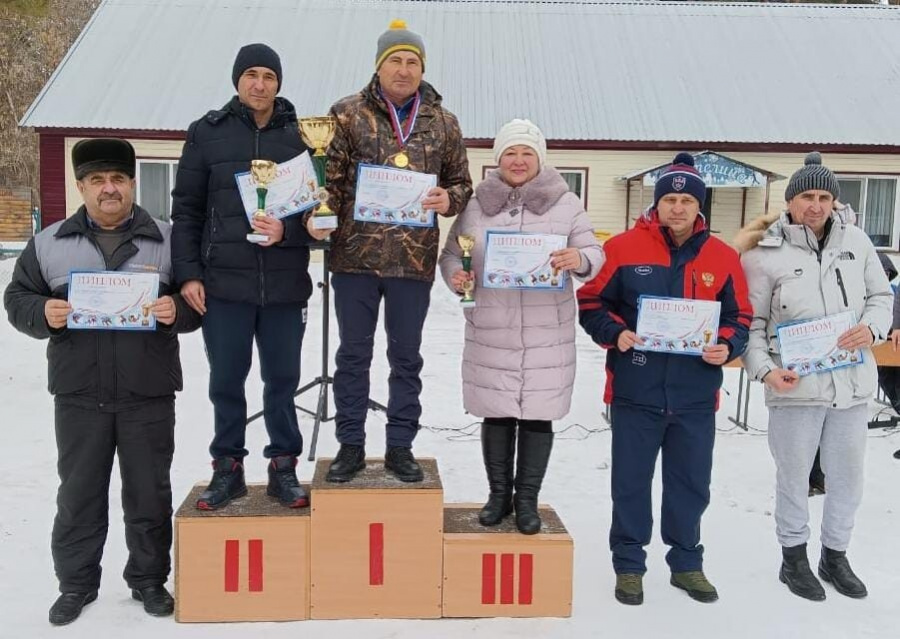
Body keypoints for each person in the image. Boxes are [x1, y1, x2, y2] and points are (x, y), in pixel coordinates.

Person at [4, 139, 201, 625]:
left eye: (118, 179)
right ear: (80, 187)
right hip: (79, 393)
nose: (108, 189)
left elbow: (196, 303)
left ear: (132, 183)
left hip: (147, 392)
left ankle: (149, 580)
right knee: (78, 493)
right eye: (97, 180)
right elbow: (16, 298)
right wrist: (41, 313)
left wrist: (175, 310)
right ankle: (75, 585)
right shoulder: (49, 243)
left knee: (149, 492)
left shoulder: (169, 239)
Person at [577, 153, 752, 605]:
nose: (677, 207)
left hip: (695, 396)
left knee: (691, 483)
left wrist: (727, 345)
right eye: (669, 199)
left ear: (699, 206)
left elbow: (740, 317)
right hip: (636, 391)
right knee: (631, 482)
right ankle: (630, 565)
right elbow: (591, 303)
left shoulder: (723, 256)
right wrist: (616, 335)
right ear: (657, 204)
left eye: (686, 200)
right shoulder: (621, 249)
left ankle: (687, 564)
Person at [171, 44, 332, 510]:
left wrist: (289, 233)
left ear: (278, 83)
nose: (259, 84)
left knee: (281, 380)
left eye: (268, 76)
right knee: (226, 381)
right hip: (223, 286)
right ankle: (228, 468)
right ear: (237, 80)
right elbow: (186, 210)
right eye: (251, 75)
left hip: (284, 287)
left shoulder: (301, 138)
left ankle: (284, 466)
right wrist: (188, 275)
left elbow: (316, 221)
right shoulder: (206, 133)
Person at [324, 20, 473, 483]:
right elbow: (330, 182)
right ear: (379, 65)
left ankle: (400, 445)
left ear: (422, 68)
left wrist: (451, 199)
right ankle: (350, 444)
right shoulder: (347, 114)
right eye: (396, 60)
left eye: (412, 61)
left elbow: (462, 184)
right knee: (353, 355)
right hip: (354, 260)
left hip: (413, 261)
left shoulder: (443, 122)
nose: (404, 70)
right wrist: (321, 216)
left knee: (406, 357)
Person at [438, 119, 604, 534]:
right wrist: (457, 277)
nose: (518, 160)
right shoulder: (477, 204)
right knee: (496, 413)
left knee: (536, 416)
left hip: (546, 331)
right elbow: (451, 254)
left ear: (540, 159)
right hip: (492, 326)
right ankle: (498, 496)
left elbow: (592, 252)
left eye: (527, 153)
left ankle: (526, 500)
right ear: (498, 160)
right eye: (510, 153)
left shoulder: (567, 203)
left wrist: (577, 260)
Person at [741, 152, 892, 602]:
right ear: (790, 201)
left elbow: (881, 296)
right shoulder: (765, 254)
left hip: (850, 385)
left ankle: (835, 554)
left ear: (834, 201)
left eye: (825, 196)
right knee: (794, 477)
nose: (816, 204)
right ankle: (793, 558)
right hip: (795, 387)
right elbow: (750, 324)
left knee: (847, 477)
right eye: (807, 195)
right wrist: (766, 371)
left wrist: (873, 327)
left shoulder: (859, 243)